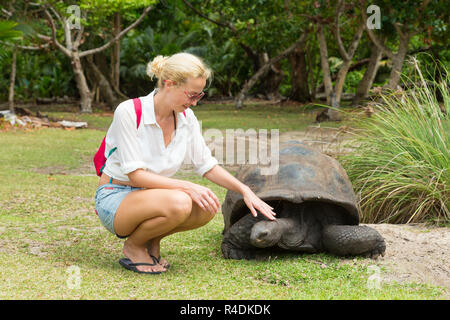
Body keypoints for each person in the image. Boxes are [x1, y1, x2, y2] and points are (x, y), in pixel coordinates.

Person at [95, 52, 276, 274]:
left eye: (199, 96)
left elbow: (206, 165)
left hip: (154, 197)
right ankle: (133, 246)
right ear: (169, 84)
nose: (194, 103)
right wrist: (188, 186)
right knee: (181, 201)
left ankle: (152, 240)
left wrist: (244, 190)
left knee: (206, 206)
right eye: (191, 95)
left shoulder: (186, 119)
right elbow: (136, 176)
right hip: (116, 196)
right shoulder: (129, 112)